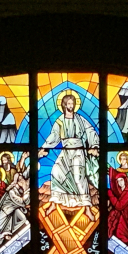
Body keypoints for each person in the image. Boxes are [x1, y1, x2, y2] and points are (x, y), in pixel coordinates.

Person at [38, 93, 99, 221]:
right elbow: (54, 136)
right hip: (65, 150)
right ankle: (54, 204)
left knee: (78, 177)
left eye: (73, 103)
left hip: (78, 150)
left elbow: (90, 131)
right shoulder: (60, 121)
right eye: (69, 104)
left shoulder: (80, 119)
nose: (71, 106)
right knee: (56, 172)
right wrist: (44, 148)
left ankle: (87, 208)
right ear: (64, 105)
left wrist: (94, 145)